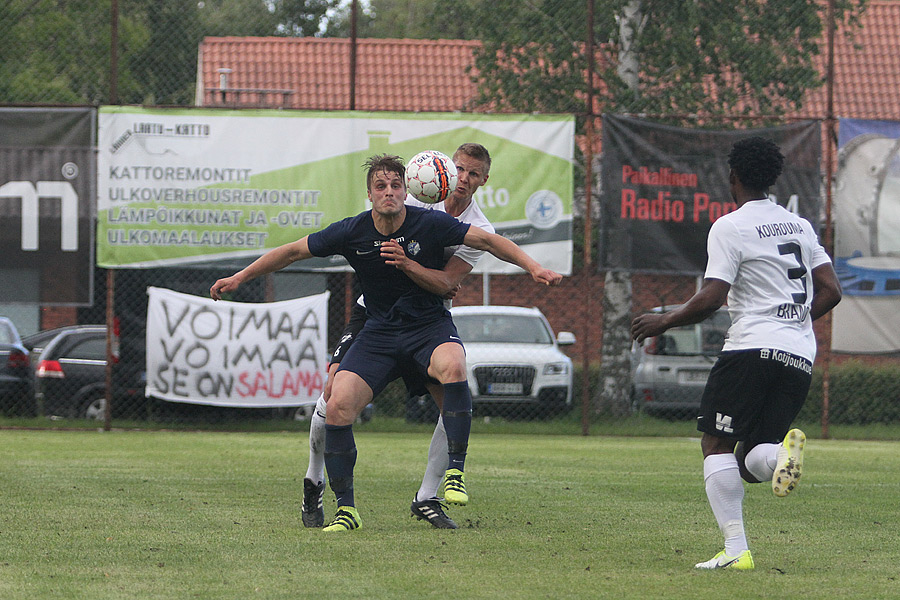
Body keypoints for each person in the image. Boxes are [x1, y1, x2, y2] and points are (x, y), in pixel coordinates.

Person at [211, 154, 561, 532]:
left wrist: (534, 267)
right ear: (372, 193)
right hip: (373, 324)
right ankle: (325, 490)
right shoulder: (356, 229)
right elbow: (294, 251)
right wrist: (240, 277)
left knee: (454, 371)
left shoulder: (435, 223)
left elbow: (474, 257)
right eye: (382, 186)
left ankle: (445, 482)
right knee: (335, 399)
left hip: (427, 324)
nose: (390, 192)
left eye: (395, 185)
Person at [630, 137, 842, 570]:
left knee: (716, 445)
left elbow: (711, 297)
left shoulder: (730, 226)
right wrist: (796, 323)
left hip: (750, 348)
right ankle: (781, 456)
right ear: (773, 177)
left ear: (733, 177)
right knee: (751, 456)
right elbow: (832, 291)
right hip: (799, 355)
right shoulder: (800, 226)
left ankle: (735, 550)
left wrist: (664, 320)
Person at [302, 143, 495, 530]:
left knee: (453, 396)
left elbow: (446, 284)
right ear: (443, 170)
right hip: (371, 316)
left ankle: (426, 496)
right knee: (333, 393)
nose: (463, 179)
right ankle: (313, 479)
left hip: (426, 322)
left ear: (483, 181)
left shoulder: (480, 228)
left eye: (473, 174)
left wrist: (435, 280)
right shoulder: (419, 198)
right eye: (459, 169)